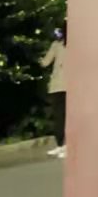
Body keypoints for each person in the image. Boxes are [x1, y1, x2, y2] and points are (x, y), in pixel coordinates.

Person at [41, 27, 67, 159]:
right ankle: (62, 145)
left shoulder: (57, 44)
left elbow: (45, 62)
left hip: (60, 85)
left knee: (60, 116)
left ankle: (63, 145)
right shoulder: (57, 45)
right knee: (62, 116)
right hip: (61, 85)